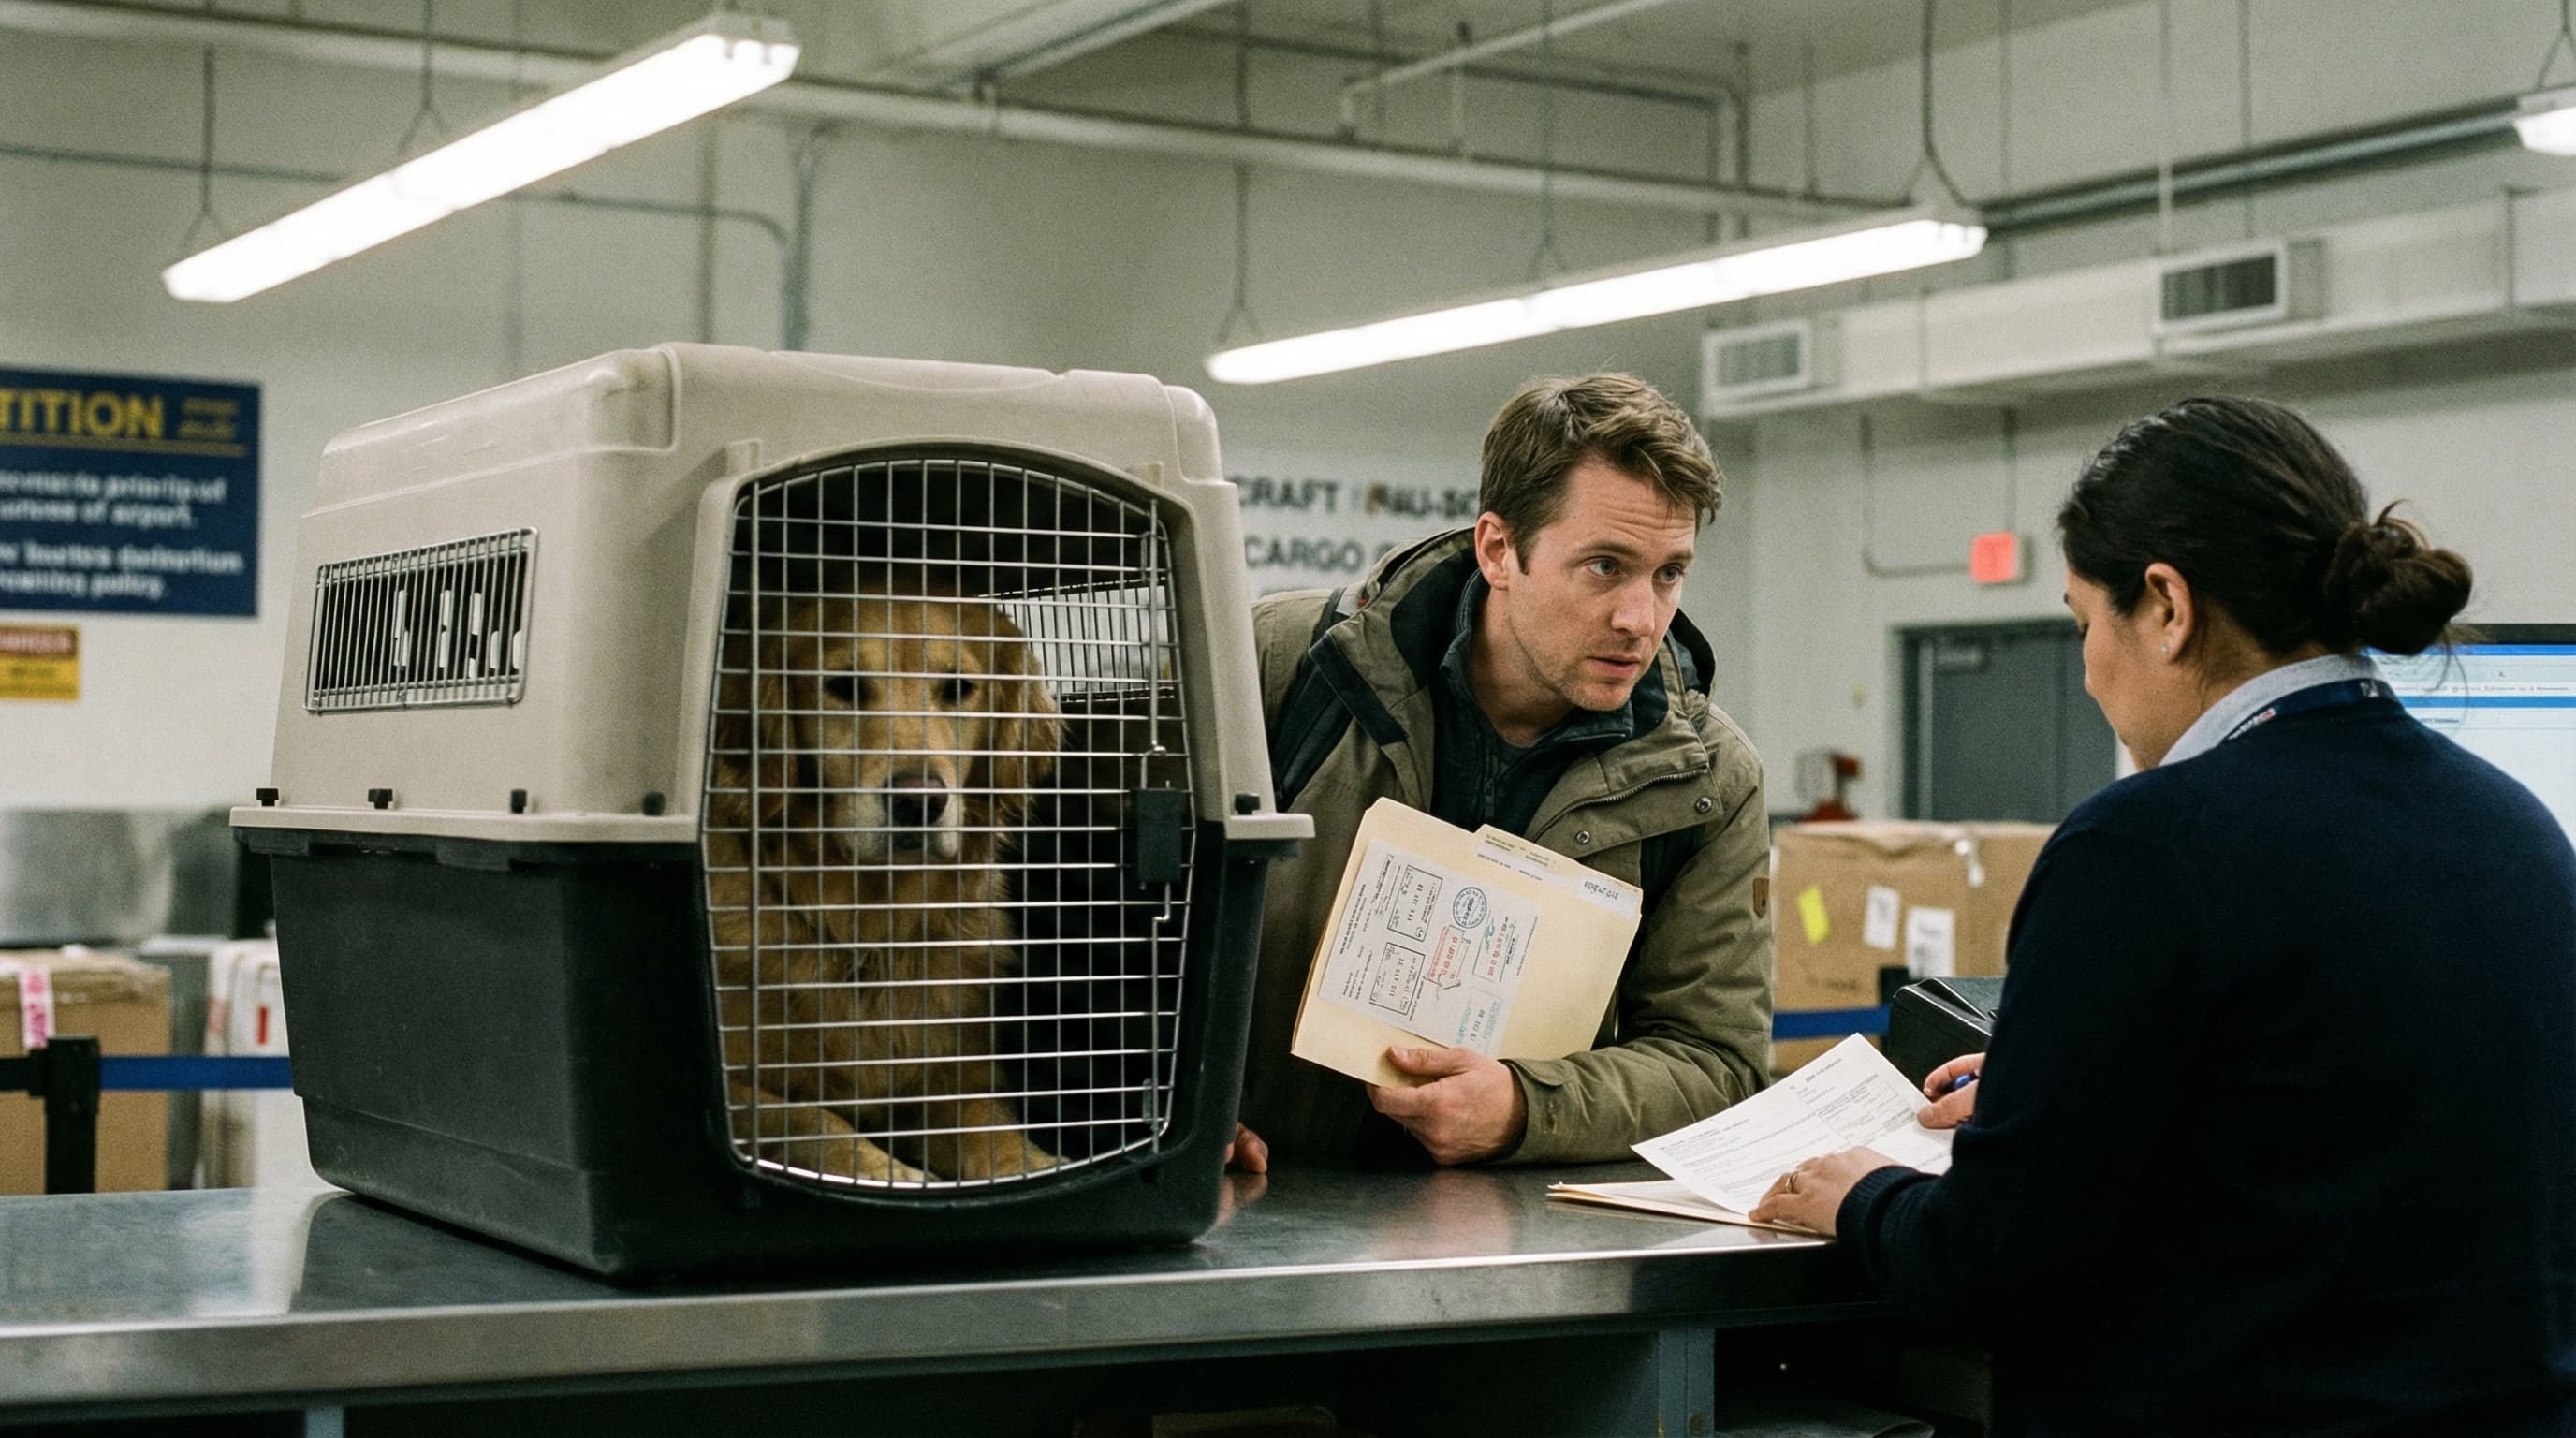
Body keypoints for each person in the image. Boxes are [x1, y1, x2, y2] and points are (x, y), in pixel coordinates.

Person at [1750, 396, 2576, 1436]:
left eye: (2083, 622)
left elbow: (1988, 1265)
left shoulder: (2138, 849)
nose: (2088, 664)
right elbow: (2337, 1128)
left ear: (2166, 606)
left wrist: (1863, 1193)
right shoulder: (2516, 827)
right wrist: (2064, 1093)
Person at [1227, 373, 1773, 1173]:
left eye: (1668, 573)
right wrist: (1158, 1111)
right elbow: (1093, 916)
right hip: (1246, 1202)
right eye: (1604, 567)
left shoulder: (1707, 779)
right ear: (1498, 549)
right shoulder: (1283, 666)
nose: (1641, 619)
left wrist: (1525, 1108)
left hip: (1503, 1233)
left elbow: (1717, 1065)